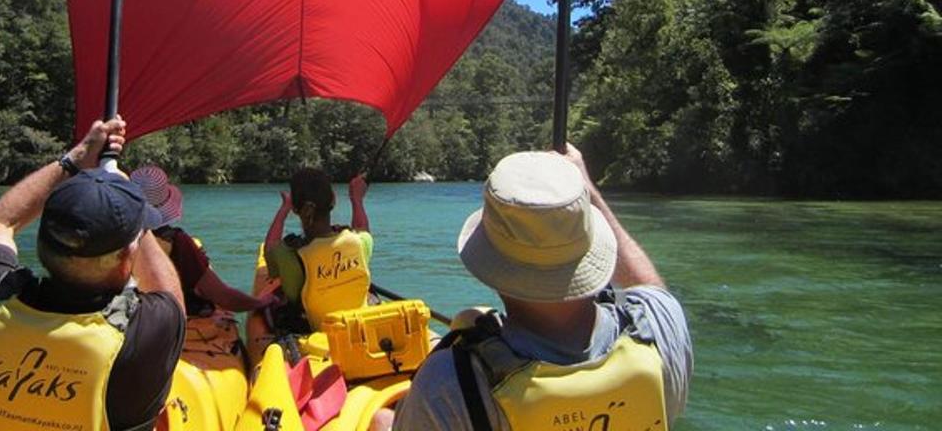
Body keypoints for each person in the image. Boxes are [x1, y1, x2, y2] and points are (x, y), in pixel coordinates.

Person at [386, 145, 693, 431]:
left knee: (381, 420)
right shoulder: (657, 329)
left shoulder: (450, 385)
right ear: (589, 241)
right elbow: (652, 290)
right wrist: (587, 192)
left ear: (492, 266)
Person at [0, 117, 186, 431]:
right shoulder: (143, 334)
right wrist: (130, 205)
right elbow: (170, 298)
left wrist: (78, 156)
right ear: (127, 255)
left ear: (43, 242)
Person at [131, 164, 281, 315]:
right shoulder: (178, 242)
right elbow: (223, 297)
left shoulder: (116, 238)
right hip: (170, 324)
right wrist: (260, 302)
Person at [263, 168, 374, 331]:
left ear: (295, 208)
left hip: (319, 337)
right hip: (359, 330)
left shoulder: (288, 255)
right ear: (334, 200)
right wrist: (356, 199)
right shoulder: (360, 242)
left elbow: (269, 249)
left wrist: (283, 209)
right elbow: (362, 228)